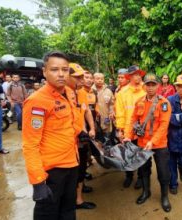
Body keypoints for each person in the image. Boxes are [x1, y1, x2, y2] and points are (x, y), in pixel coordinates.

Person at [22, 51, 82, 219]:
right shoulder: (37, 101)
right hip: (52, 170)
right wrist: (38, 181)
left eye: (65, 69)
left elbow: (71, 121)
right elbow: (30, 144)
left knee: (68, 210)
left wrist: (80, 132)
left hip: (72, 162)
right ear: (44, 71)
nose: (61, 74)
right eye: (55, 69)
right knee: (48, 213)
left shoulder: (69, 93)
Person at [123, 73, 172, 212]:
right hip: (142, 143)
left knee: (163, 172)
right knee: (144, 170)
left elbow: (164, 125)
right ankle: (146, 192)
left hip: (160, 144)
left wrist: (153, 141)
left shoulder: (164, 103)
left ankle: (164, 197)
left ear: (158, 86)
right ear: (144, 86)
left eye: (153, 84)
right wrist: (127, 135)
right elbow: (132, 120)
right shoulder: (139, 101)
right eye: (148, 85)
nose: (150, 88)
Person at [67, 63, 97, 210]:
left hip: (81, 139)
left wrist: (91, 128)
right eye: (77, 78)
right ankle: (76, 200)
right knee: (74, 172)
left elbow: (86, 112)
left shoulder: (82, 93)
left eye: (81, 77)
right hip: (69, 143)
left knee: (81, 169)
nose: (81, 80)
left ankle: (79, 197)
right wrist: (80, 131)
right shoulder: (64, 93)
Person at [115, 65, 146, 189]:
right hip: (128, 129)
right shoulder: (122, 92)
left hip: (142, 130)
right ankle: (129, 176)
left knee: (141, 155)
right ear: (129, 76)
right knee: (128, 155)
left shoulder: (145, 90)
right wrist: (120, 130)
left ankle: (140, 177)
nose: (137, 76)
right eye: (134, 74)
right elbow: (120, 112)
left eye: (139, 74)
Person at [92, 73, 115, 144]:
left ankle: (107, 150)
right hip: (94, 119)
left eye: (101, 79)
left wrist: (111, 112)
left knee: (107, 136)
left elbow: (112, 103)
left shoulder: (108, 91)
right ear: (93, 79)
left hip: (106, 118)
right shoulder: (90, 90)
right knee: (96, 139)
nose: (100, 80)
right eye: (98, 79)